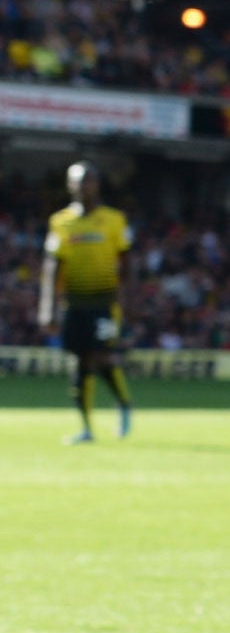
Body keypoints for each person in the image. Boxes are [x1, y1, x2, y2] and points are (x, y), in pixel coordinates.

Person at [37, 161, 134, 444]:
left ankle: (123, 403)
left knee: (101, 356)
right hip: (75, 303)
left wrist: (129, 301)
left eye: (88, 180)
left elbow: (127, 263)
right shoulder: (61, 222)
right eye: (77, 181)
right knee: (80, 362)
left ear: (97, 184)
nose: (83, 185)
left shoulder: (114, 219)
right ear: (69, 185)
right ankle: (87, 428)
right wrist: (47, 307)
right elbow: (53, 266)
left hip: (105, 302)